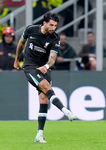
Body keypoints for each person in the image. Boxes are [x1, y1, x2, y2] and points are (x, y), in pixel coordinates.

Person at [13, 12, 76, 143]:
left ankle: (39, 135)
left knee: (44, 99)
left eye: (56, 26)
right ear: (45, 23)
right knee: (46, 87)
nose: (53, 28)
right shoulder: (31, 30)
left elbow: (52, 58)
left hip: (44, 68)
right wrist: (16, 59)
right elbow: (21, 43)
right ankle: (65, 110)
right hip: (30, 67)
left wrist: (46, 67)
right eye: (51, 25)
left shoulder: (55, 38)